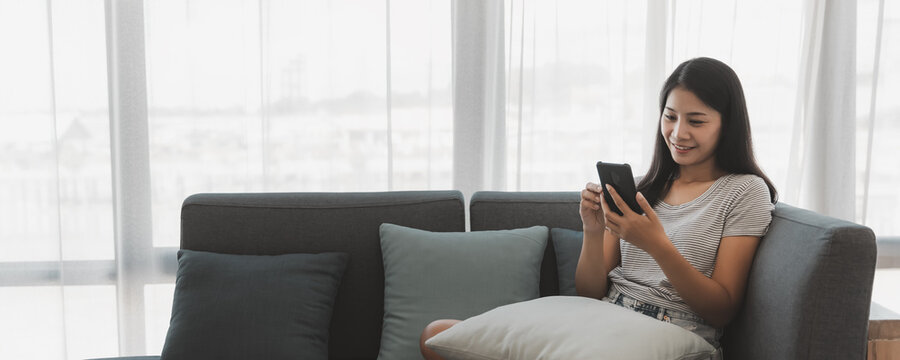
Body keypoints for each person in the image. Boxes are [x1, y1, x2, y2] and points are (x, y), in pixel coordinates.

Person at [419, 57, 776, 359]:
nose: (678, 133)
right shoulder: (641, 190)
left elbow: (722, 308)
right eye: (670, 117)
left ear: (726, 125)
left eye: (696, 121)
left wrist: (656, 244)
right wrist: (592, 230)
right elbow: (590, 291)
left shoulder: (745, 191)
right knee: (436, 335)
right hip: (603, 316)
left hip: (675, 333)